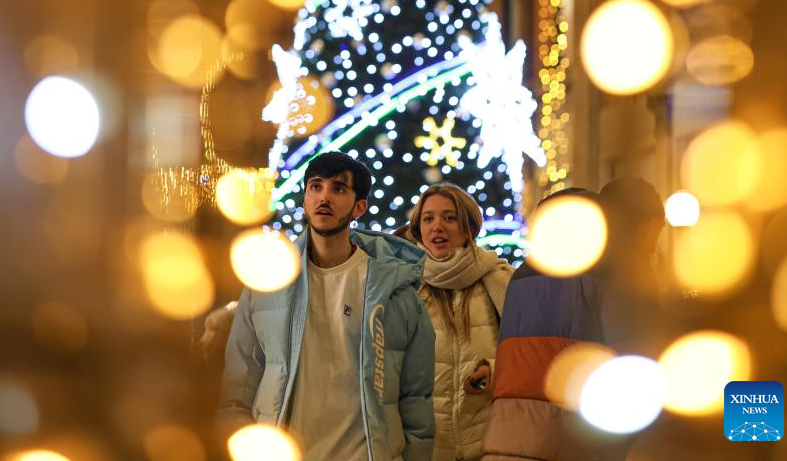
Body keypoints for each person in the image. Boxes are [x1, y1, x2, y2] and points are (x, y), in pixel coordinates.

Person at [219, 150, 436, 461]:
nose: (324, 198)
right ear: (305, 198)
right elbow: (237, 389)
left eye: (339, 189)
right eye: (315, 186)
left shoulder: (396, 292)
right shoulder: (266, 281)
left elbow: (416, 399)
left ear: (359, 206)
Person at [480, 181, 666, 461]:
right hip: (574, 438)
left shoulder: (521, 275)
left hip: (510, 434)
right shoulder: (611, 269)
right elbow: (630, 363)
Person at [408, 183, 514, 461]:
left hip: (491, 442)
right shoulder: (406, 286)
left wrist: (494, 369)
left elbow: (527, 351)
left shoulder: (501, 281)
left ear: (469, 228)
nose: (437, 226)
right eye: (428, 219)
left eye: (449, 217)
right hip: (427, 447)